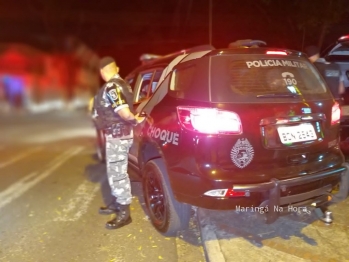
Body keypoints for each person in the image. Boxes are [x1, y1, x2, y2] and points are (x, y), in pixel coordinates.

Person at [93, 56, 145, 230]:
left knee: (117, 174)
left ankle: (124, 214)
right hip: (119, 135)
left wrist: (133, 120)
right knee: (116, 171)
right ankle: (117, 204)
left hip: (118, 136)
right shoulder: (123, 84)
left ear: (102, 72)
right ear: (117, 68)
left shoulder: (112, 87)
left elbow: (123, 112)